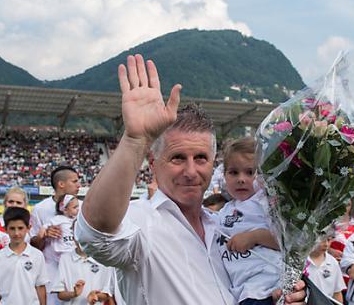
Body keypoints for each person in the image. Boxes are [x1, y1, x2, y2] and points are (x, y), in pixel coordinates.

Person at [75, 54, 306, 304]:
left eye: (200, 158)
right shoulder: (141, 222)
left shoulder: (223, 226)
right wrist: (135, 140)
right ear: (153, 163)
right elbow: (95, 233)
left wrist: (284, 297)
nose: (190, 171)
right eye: (177, 158)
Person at [216, 136, 281, 304]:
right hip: (239, 289)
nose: (241, 179)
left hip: (265, 286)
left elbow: (286, 242)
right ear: (224, 175)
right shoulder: (225, 209)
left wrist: (254, 237)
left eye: (250, 172)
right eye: (233, 172)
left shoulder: (266, 202)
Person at [31, 165, 81, 305]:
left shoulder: (84, 207)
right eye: (75, 181)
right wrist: (44, 235)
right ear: (61, 184)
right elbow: (33, 245)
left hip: (77, 269)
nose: (79, 185)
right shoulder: (40, 208)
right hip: (51, 271)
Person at [0, 207, 49, 305]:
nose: (16, 233)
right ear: (5, 229)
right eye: (12, 228)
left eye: (20, 228)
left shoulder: (37, 255)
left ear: (28, 228)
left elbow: (40, 287)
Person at [55, 235, 117, 305]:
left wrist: (95, 296)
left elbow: (107, 294)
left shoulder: (104, 259)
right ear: (73, 237)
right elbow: (60, 294)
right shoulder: (65, 259)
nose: (82, 240)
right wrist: (74, 294)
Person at [304, 235, 345, 303]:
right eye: (322, 240)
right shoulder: (301, 261)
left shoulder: (333, 262)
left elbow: (337, 292)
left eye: (329, 240)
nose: (326, 244)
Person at [0, 186, 28, 252]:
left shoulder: (32, 224)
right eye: (11, 202)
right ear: (5, 203)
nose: (14, 205)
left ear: (25, 205)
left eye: (18, 203)